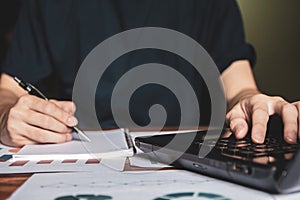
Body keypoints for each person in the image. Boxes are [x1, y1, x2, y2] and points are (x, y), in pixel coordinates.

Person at [0, 0, 299, 147]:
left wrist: (253, 101)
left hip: (186, 163)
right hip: (83, 157)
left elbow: (240, 89)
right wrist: (7, 115)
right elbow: (9, 89)